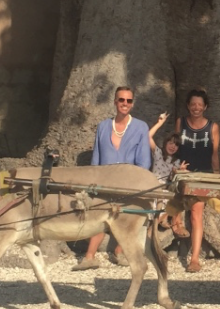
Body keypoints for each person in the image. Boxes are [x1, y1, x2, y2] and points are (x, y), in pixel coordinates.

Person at [73, 86, 151, 270]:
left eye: (129, 101)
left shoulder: (140, 127)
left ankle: (119, 251)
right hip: (104, 182)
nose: (125, 103)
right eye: (121, 100)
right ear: (115, 102)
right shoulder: (103, 126)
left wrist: (135, 185)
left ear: (132, 104)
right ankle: (89, 257)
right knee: (100, 215)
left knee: (125, 216)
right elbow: (96, 159)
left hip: (128, 182)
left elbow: (144, 161)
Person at [174, 88, 220, 273]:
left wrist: (217, 176)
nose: (196, 108)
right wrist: (176, 167)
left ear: (205, 107)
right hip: (184, 173)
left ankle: (194, 258)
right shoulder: (181, 123)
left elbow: (214, 154)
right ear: (188, 106)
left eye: (200, 105)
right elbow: (175, 147)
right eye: (193, 104)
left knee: (195, 212)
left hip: (202, 174)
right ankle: (173, 222)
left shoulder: (213, 127)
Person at [149, 113, 189, 237]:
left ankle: (164, 218)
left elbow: (173, 181)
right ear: (165, 143)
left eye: (176, 145)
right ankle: (162, 218)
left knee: (174, 196)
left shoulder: (176, 162)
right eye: (171, 143)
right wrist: (159, 123)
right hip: (153, 186)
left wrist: (180, 171)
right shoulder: (158, 153)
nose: (173, 146)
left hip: (165, 189)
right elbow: (148, 136)